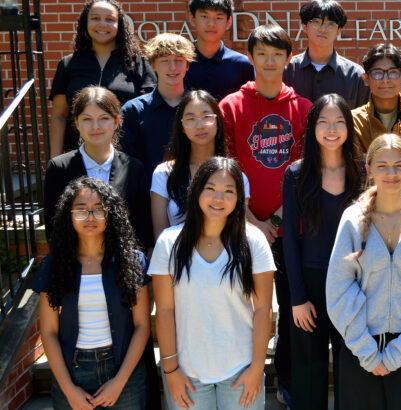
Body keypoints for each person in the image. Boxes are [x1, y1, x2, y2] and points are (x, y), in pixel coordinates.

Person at [219, 24, 312, 404]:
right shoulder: (230, 106)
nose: (269, 61)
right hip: (240, 226)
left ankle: (287, 382)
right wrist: (250, 221)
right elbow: (222, 165)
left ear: (288, 59)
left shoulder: (304, 108)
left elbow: (308, 169)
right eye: (262, 54)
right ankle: (238, 381)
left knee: (293, 312)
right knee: (242, 308)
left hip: (291, 229)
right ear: (251, 57)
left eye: (277, 54)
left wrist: (274, 220)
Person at [326, 134, 401, 410]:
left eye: (398, 165)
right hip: (360, 350)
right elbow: (339, 288)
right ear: (369, 169)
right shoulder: (352, 220)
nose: (391, 173)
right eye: (382, 165)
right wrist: (367, 352)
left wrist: (397, 354)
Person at [149, 157, 275, 410]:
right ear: (196, 191)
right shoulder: (168, 242)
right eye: (211, 189)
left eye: (229, 191)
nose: (219, 198)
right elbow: (164, 311)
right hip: (187, 372)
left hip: (241, 369)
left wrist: (256, 368)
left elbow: (263, 309)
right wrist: (171, 370)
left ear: (239, 198)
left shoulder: (254, 242)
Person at [35, 177, 151, 410]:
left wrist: (119, 382)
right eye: (81, 210)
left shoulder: (132, 262)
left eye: (99, 210)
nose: (90, 217)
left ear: (111, 215)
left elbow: (142, 326)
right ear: (69, 215)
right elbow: (48, 332)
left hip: (122, 370)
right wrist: (68, 389)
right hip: (74, 371)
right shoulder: (54, 266)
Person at [282, 93, 363, 409]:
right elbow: (289, 238)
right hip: (311, 282)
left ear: (349, 127)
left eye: (339, 122)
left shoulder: (362, 170)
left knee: (351, 367)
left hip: (352, 283)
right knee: (308, 371)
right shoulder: (296, 174)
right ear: (312, 127)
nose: (332, 129)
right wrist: (297, 297)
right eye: (324, 122)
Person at [44, 86, 151, 249]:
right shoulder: (59, 168)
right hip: (74, 264)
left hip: (124, 264)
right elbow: (54, 227)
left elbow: (142, 226)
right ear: (76, 123)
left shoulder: (134, 168)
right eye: (87, 119)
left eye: (103, 118)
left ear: (117, 122)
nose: (95, 126)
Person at [49, 0, 156, 156]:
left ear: (119, 25)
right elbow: (59, 116)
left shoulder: (137, 64)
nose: (102, 24)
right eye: (95, 18)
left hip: (127, 157)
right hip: (78, 156)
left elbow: (148, 116)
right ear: (85, 23)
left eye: (109, 19)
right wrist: (55, 162)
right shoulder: (68, 64)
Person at [149, 90, 251, 239]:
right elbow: (160, 235)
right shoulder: (164, 173)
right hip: (176, 258)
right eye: (190, 118)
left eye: (206, 117)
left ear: (218, 121)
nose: (200, 125)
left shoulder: (237, 178)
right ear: (182, 126)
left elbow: (238, 233)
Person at [120, 33, 195, 177]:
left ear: (187, 65)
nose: (172, 68)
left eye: (179, 60)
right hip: (146, 195)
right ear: (153, 65)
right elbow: (126, 163)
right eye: (165, 61)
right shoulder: (133, 111)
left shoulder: (200, 108)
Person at [283, 0, 369, 109]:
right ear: (304, 26)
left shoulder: (355, 75)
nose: (323, 29)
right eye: (316, 22)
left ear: (339, 31)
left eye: (330, 24)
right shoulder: (286, 70)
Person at [184, 0, 255, 101]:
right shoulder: (180, 62)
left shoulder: (243, 65)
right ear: (192, 18)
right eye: (204, 16)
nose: (211, 23)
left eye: (218, 17)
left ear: (228, 22)